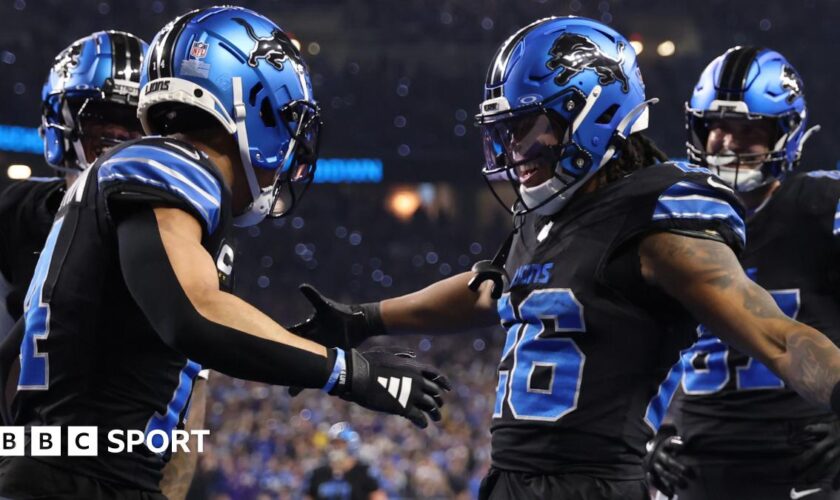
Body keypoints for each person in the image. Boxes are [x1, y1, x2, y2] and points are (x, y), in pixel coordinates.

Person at [289, 17, 840, 500]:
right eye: (502, 133)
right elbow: (495, 287)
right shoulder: (552, 212)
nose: (511, 151)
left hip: (593, 482)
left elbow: (776, 334)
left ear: (590, 113)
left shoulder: (656, 218)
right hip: (512, 478)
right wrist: (368, 318)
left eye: (524, 128)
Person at [0, 6, 448, 500]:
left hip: (73, 467)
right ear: (247, 99)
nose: (290, 140)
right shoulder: (170, 163)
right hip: (86, 478)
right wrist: (349, 372)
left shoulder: (130, 179)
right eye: (284, 117)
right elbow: (192, 313)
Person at [644, 47, 840, 500]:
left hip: (803, 464)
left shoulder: (821, 206)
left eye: (749, 129)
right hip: (694, 465)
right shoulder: (675, 217)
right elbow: (634, 348)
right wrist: (641, 434)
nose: (729, 143)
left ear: (784, 133)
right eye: (717, 127)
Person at [305, 422, 387, 500]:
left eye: (340, 443)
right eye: (333, 443)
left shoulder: (364, 472)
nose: (336, 447)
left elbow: (378, 496)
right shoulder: (318, 473)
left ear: (351, 444)